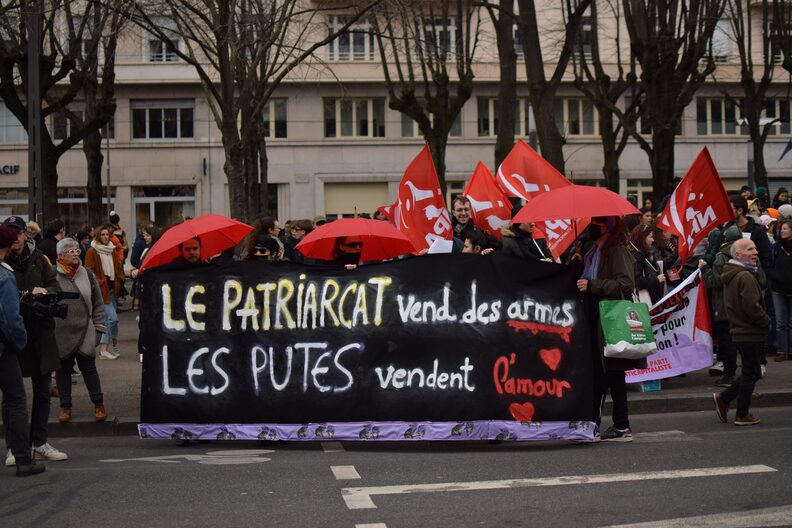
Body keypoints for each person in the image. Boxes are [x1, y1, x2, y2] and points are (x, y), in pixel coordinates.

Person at [2, 215, 68, 465]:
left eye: (17, 232)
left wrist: (45, 293)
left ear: (25, 234)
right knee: (11, 395)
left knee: (42, 391)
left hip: (41, 333)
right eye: (10, 232)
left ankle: (39, 441)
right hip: (14, 332)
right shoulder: (3, 262)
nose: (14, 237)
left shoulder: (39, 259)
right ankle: (15, 446)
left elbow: (56, 288)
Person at [576, 216, 642, 442]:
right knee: (606, 372)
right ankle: (617, 425)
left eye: (597, 222)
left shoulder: (616, 250)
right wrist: (576, 264)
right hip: (594, 314)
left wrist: (593, 285)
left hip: (609, 316)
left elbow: (626, 283)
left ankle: (603, 425)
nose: (592, 225)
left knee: (609, 372)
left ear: (607, 226)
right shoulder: (591, 251)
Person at [0, 225, 45, 477]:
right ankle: (23, 459)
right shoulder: (4, 276)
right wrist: (20, 342)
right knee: (16, 400)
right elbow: (9, 319)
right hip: (3, 348)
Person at [714, 238, 770, 426]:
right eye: (750, 249)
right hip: (749, 331)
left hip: (740, 330)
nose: (755, 252)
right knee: (751, 373)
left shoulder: (735, 273)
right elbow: (752, 306)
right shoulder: (744, 276)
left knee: (751, 371)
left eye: (755, 248)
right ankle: (741, 412)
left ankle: (725, 399)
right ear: (738, 255)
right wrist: (766, 321)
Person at [52, 238, 108, 424]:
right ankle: (65, 406)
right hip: (62, 332)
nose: (76, 254)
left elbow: (99, 304)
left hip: (86, 330)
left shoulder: (88, 275)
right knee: (63, 370)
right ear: (60, 256)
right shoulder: (52, 275)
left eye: (77, 251)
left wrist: (99, 329)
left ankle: (98, 404)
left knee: (89, 368)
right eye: (71, 251)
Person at [701, 226, 761, 387]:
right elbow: (762, 280)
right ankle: (752, 371)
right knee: (745, 343)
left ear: (725, 239)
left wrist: (705, 269)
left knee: (727, 341)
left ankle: (730, 375)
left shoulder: (720, 257)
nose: (754, 252)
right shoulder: (753, 258)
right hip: (743, 310)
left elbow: (714, 281)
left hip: (723, 306)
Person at [84, 225, 125, 360]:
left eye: (107, 234)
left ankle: (112, 344)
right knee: (112, 319)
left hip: (112, 289)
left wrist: (120, 279)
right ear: (97, 236)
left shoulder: (112, 250)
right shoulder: (92, 251)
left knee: (112, 321)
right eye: (102, 234)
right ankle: (103, 349)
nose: (106, 237)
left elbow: (118, 267)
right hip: (102, 290)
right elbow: (89, 271)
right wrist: (99, 282)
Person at [767, 220, 792, 362]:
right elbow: (769, 264)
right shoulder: (776, 247)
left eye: (785, 228)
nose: (781, 231)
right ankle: (782, 350)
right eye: (781, 229)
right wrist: (774, 276)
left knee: (791, 322)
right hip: (778, 288)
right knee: (781, 322)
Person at [629, 224, 665, 305]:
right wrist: (656, 280)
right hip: (644, 299)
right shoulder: (637, 255)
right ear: (642, 238)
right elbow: (637, 281)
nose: (653, 240)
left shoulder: (644, 253)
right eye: (650, 237)